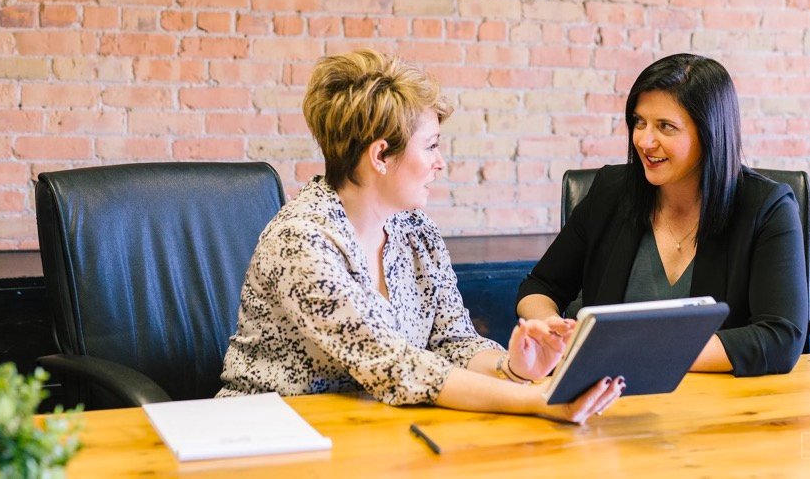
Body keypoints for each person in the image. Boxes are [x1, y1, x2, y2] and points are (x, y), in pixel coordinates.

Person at [218, 49, 623, 423]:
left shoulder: (415, 230)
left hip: (371, 430)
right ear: (380, 156)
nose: (440, 163)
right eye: (430, 146)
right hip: (268, 433)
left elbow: (453, 341)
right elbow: (395, 365)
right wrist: (538, 399)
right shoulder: (302, 241)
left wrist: (514, 368)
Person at [516, 53, 809, 376]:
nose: (644, 140)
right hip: (607, 398)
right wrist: (550, 328)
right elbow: (540, 286)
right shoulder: (611, 191)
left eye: (665, 127)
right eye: (639, 122)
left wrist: (639, 352)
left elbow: (781, 337)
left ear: (710, 133)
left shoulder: (767, 207)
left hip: (719, 403)